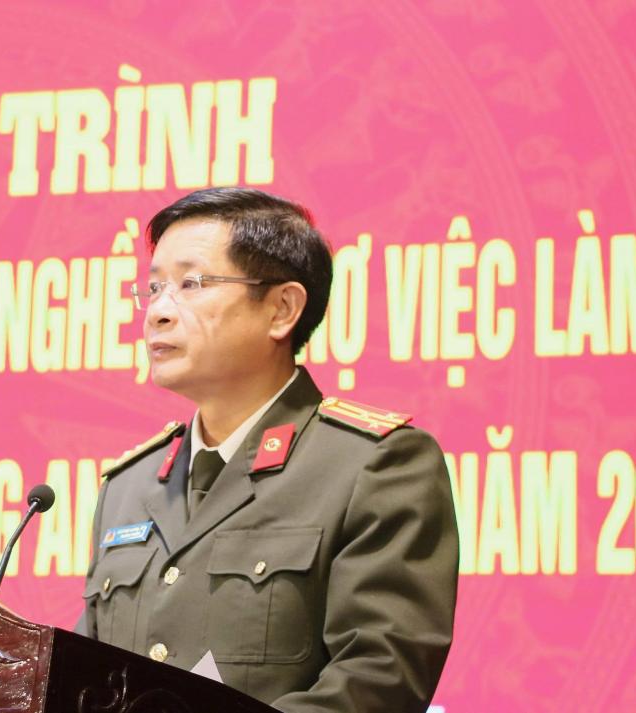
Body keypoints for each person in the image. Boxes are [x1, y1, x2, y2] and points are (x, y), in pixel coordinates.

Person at [79, 187, 458, 713]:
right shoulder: (129, 486)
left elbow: (378, 679)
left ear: (282, 309)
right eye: (154, 287)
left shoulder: (373, 465)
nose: (158, 312)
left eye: (191, 284)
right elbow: (85, 678)